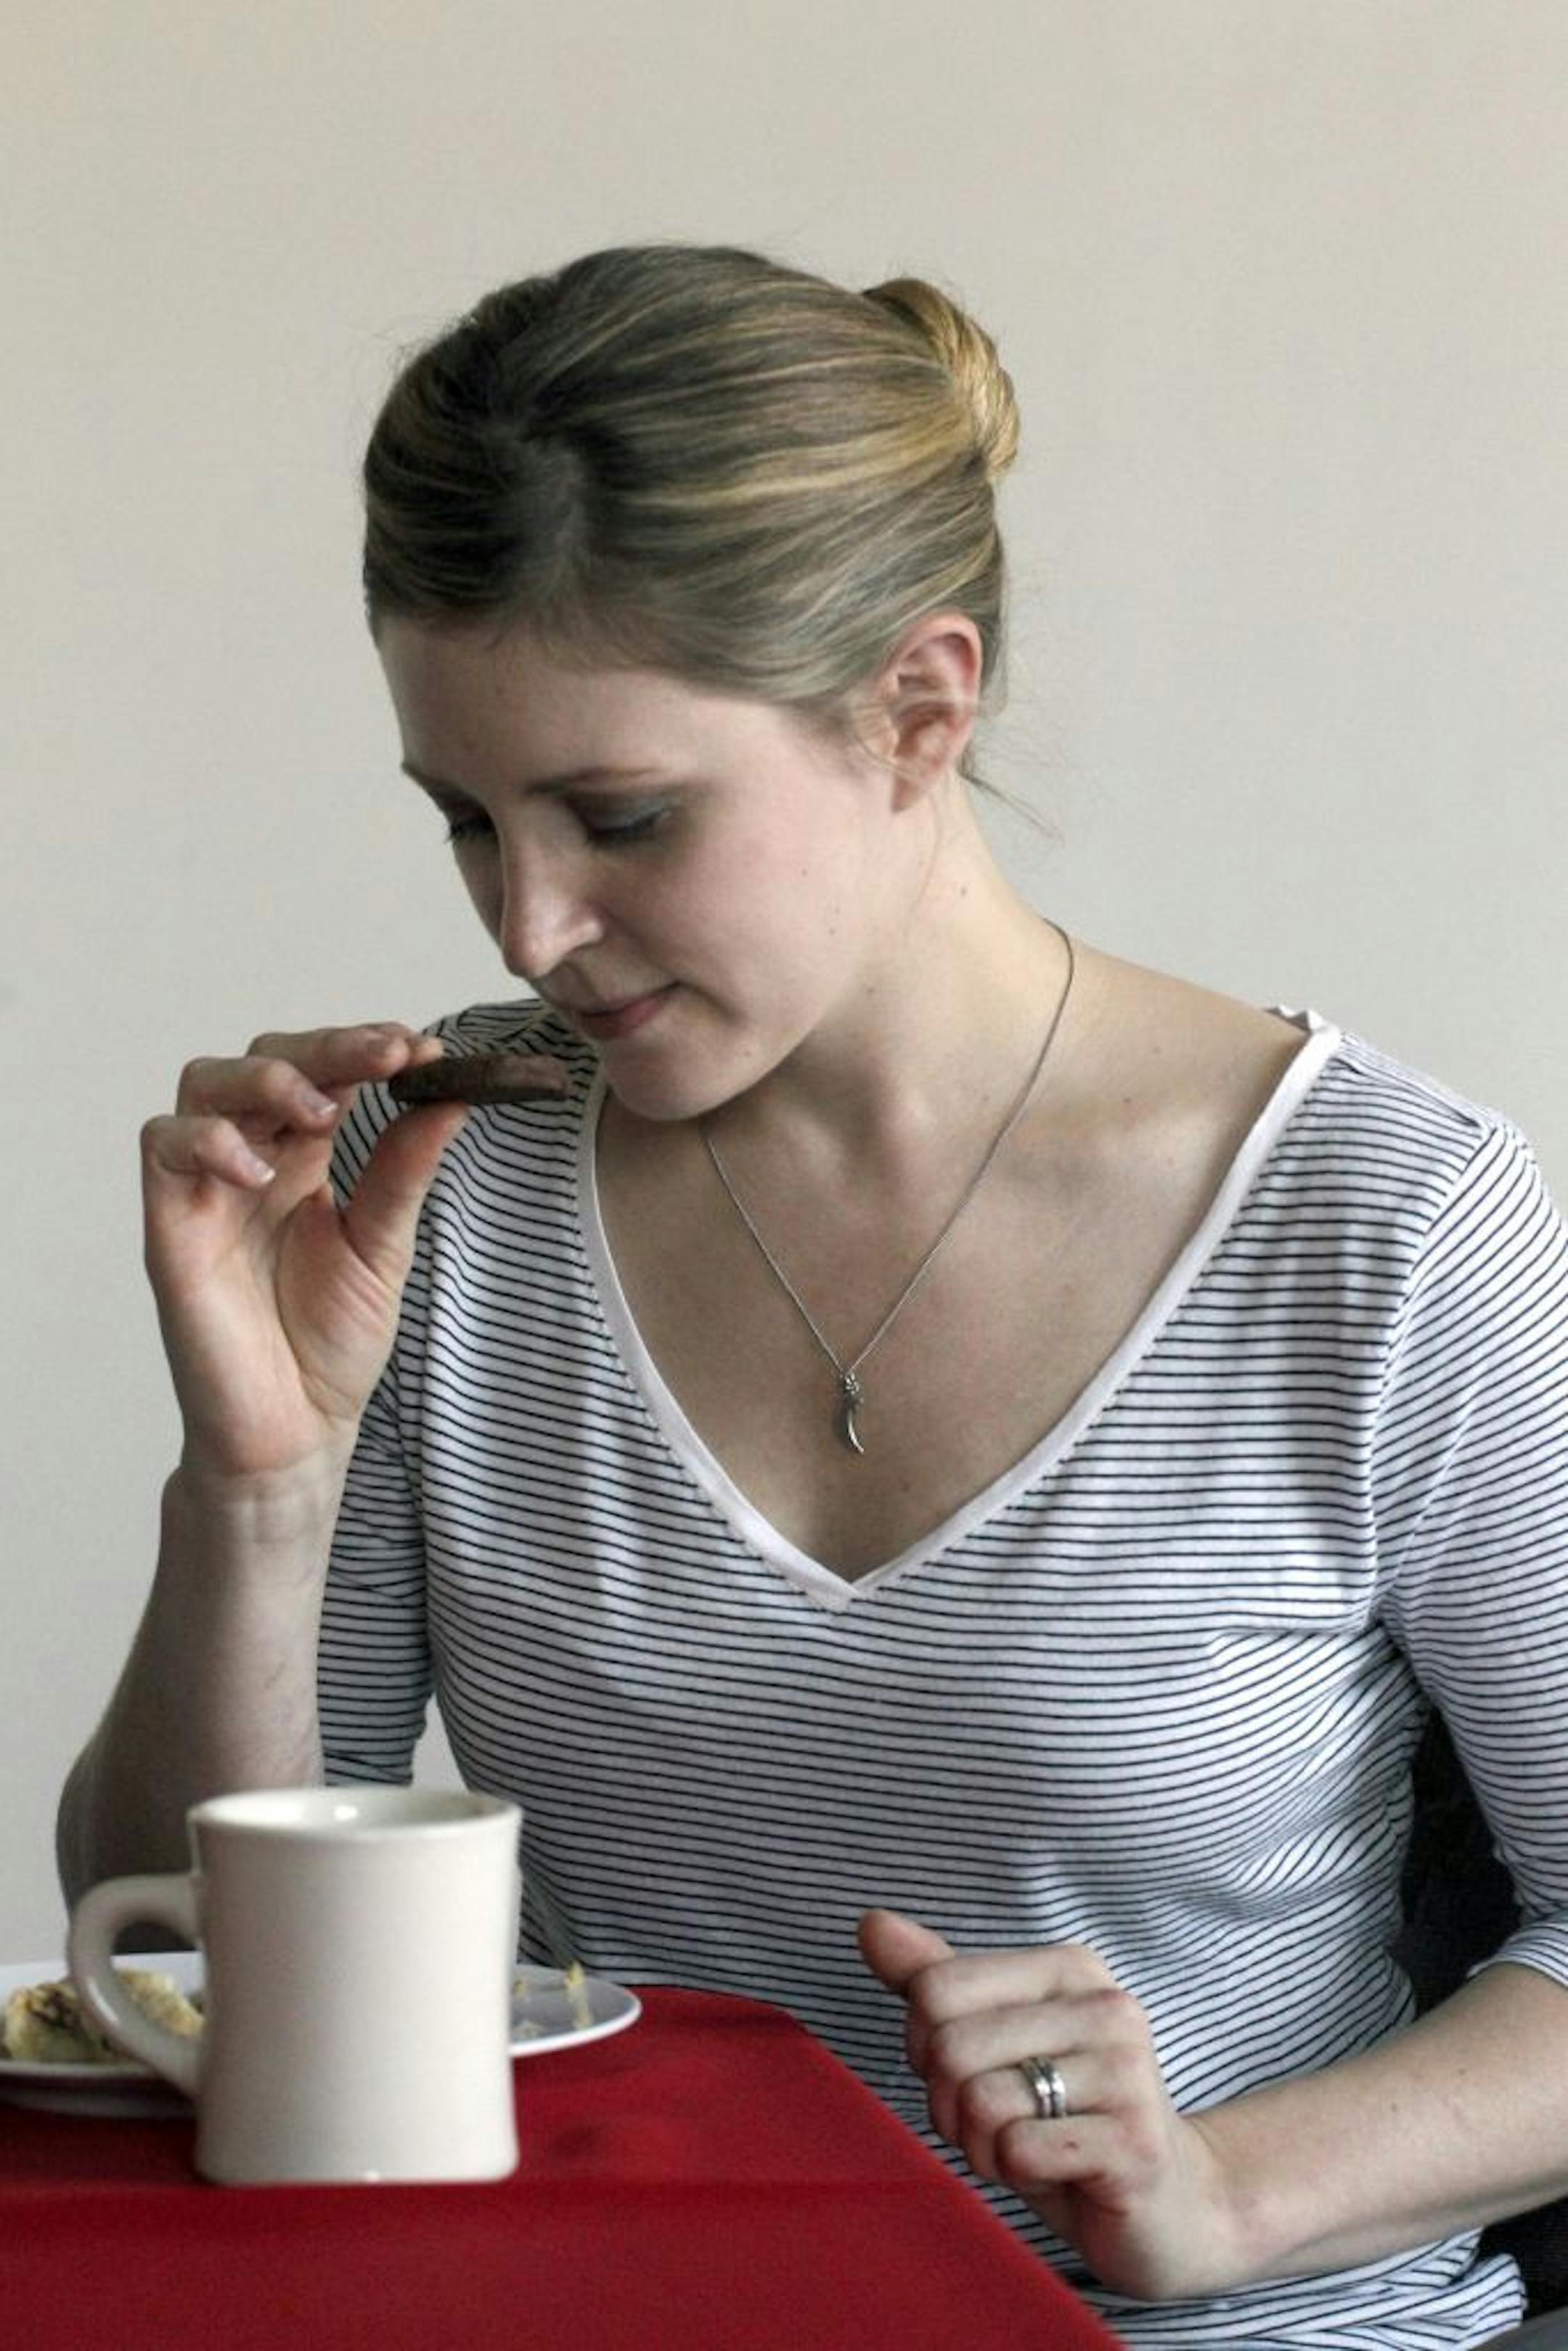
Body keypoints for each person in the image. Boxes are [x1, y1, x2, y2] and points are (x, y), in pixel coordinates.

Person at [58, 240, 1568, 2347]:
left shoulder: (1381, 1222)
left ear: (918, 708)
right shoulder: (455, 1187)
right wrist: (259, 1486)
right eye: (466, 823)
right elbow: (187, 1965)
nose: (534, 921)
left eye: (621, 815)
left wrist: (1216, 2190)